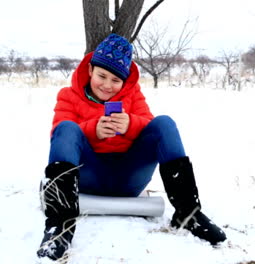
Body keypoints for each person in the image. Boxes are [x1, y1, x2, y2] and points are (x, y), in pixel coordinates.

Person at [36, 33, 226, 262]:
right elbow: (58, 136)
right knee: (67, 127)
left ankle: (188, 214)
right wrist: (92, 131)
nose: (107, 85)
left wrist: (131, 125)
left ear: (124, 81)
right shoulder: (68, 96)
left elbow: (152, 128)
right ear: (90, 71)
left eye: (116, 80)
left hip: (129, 177)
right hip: (88, 175)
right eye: (102, 76)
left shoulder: (134, 96)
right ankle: (59, 227)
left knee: (164, 123)